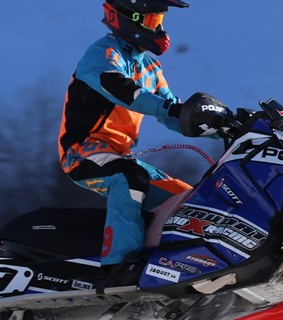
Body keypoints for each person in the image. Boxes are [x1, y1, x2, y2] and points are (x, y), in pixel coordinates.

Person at [58, 0, 230, 271]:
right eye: (151, 21)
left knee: (190, 199)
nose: (159, 29)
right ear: (126, 18)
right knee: (129, 178)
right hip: (83, 153)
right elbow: (123, 90)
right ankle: (118, 268)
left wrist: (224, 126)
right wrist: (170, 107)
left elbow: (173, 114)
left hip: (119, 155)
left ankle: (186, 266)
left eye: (159, 21)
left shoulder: (150, 67)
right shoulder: (103, 53)